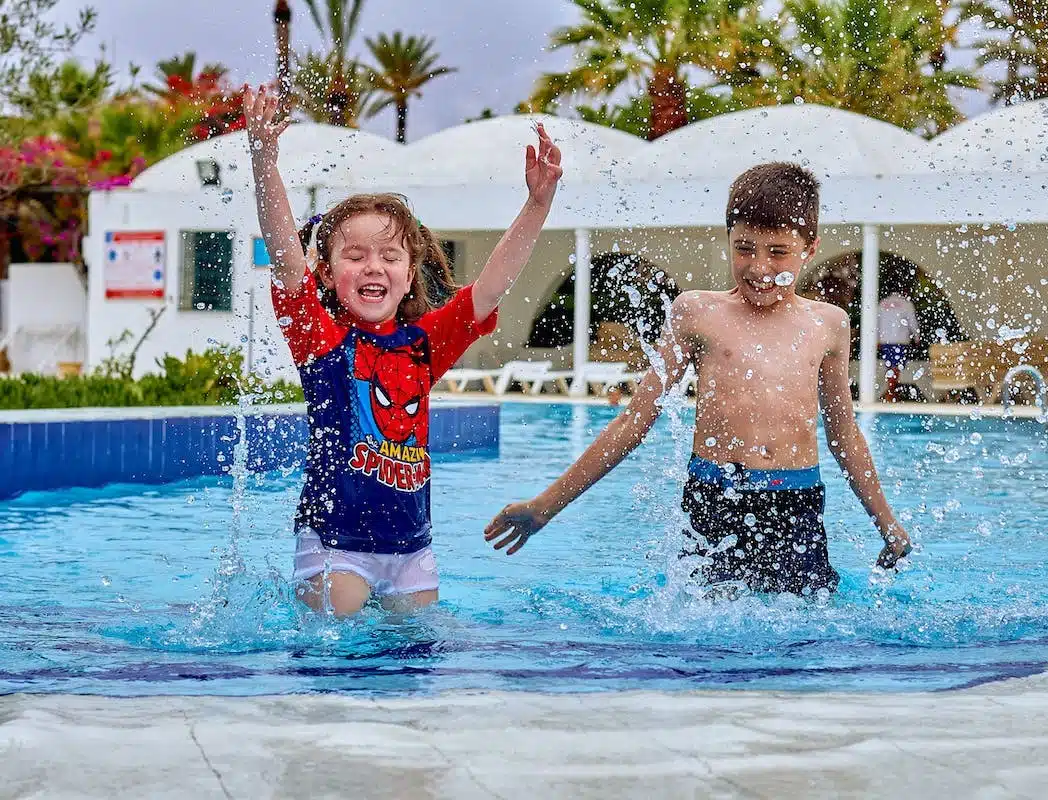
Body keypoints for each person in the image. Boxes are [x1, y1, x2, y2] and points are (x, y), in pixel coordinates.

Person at [484, 162, 911, 597]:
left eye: (778, 251)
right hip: (713, 499)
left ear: (810, 248)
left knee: (799, 645)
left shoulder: (828, 324)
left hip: (795, 505)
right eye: (745, 248)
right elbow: (634, 421)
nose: (759, 268)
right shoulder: (696, 313)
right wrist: (546, 506)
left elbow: (845, 435)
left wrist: (886, 522)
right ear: (727, 238)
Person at [244, 86, 562, 616]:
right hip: (335, 546)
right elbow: (284, 259)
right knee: (335, 671)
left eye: (390, 255)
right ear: (327, 272)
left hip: (412, 550)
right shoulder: (322, 339)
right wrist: (264, 162)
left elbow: (490, 288)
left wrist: (537, 204)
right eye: (355, 255)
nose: (374, 266)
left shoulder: (424, 345)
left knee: (418, 668)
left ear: (409, 273)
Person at [877, 283, 920, 402]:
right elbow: (912, 321)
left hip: (885, 340)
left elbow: (876, 322)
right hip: (900, 340)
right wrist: (917, 336)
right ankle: (891, 392)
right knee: (896, 366)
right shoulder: (906, 304)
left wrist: (877, 338)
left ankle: (891, 390)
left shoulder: (882, 303)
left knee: (890, 365)